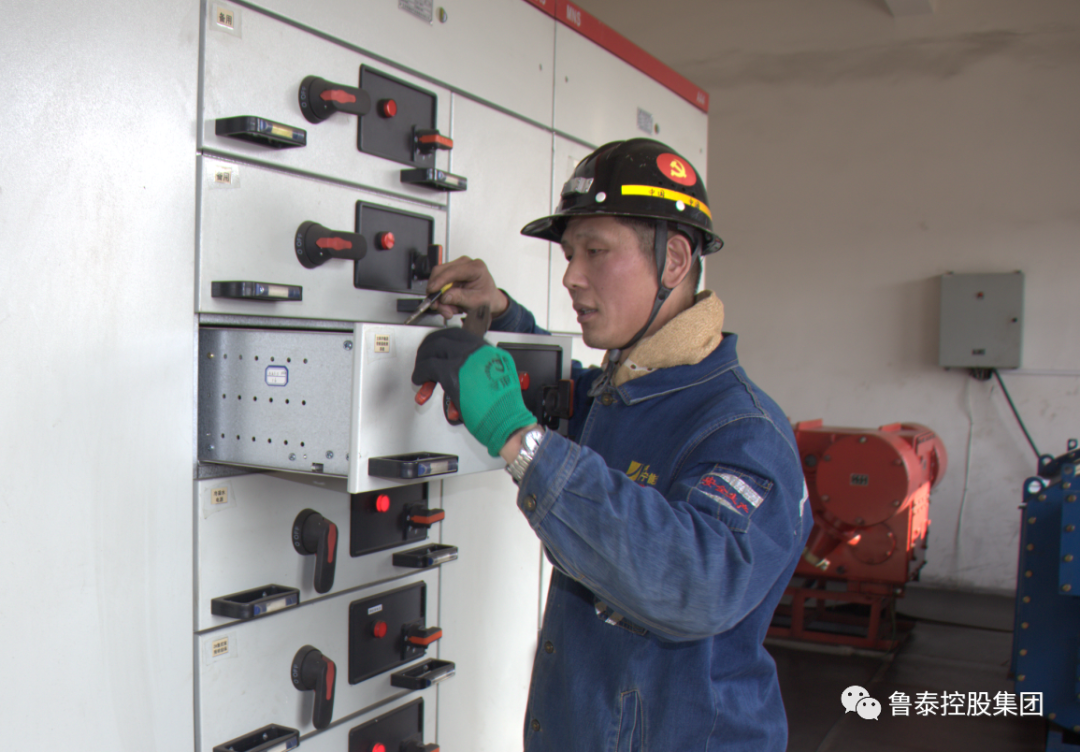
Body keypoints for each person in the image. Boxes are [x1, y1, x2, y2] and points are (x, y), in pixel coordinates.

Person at [412, 138, 811, 751]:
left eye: (595, 251)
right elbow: (574, 401)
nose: (571, 276)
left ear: (673, 260)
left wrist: (518, 438)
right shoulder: (625, 390)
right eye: (570, 254)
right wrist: (502, 315)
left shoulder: (744, 432)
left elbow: (695, 584)